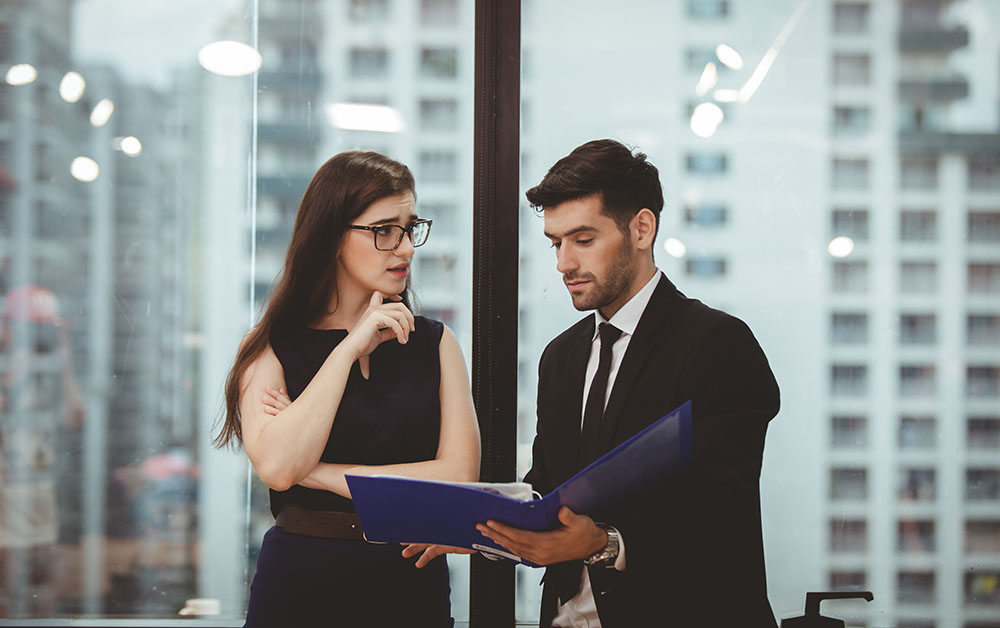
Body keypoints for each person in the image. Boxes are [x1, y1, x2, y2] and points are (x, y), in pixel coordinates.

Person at [412, 139, 780, 627]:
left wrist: (603, 542)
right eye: (556, 243)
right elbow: (546, 491)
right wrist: (480, 530)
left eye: (583, 240)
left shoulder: (718, 344)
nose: (563, 263)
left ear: (642, 229)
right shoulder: (560, 358)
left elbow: (720, 515)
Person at [215, 151, 481, 628]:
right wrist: (346, 349)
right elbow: (278, 468)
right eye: (384, 231)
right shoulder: (267, 348)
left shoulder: (437, 344)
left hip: (407, 579)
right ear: (332, 237)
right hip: (300, 580)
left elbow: (459, 478)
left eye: (410, 227)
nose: (405, 248)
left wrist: (314, 472)